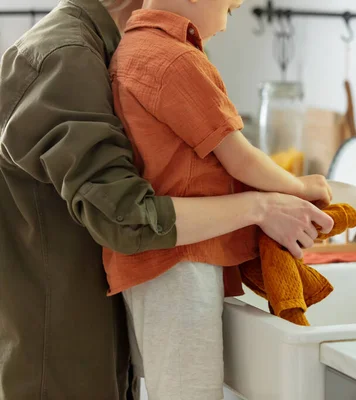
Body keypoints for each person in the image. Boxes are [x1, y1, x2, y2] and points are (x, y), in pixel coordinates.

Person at [0, 0, 333, 399]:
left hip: (80, 350)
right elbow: (127, 217)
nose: (227, 19)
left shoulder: (115, 49)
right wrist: (261, 208)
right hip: (61, 365)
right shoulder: (66, 57)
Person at [104, 0, 334, 398]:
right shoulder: (176, 59)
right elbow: (239, 156)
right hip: (181, 262)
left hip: (152, 261)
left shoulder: (130, 48)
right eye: (230, 8)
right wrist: (299, 188)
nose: (227, 24)